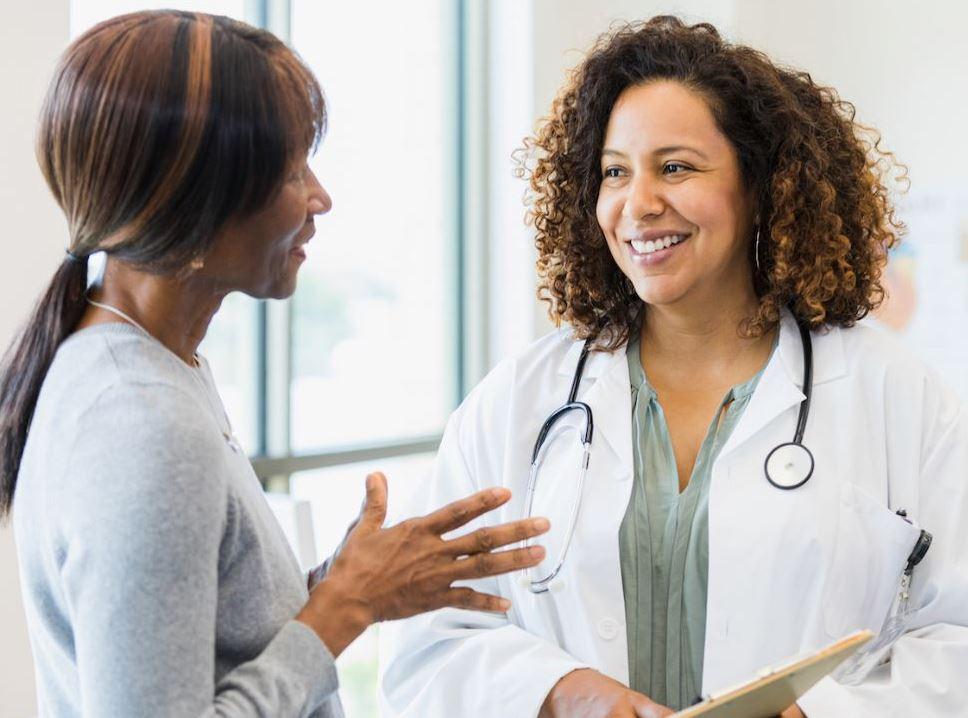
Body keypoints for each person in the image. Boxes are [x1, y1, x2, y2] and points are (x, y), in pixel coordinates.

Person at [379, 16, 968, 717]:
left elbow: (954, 636)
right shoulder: (521, 400)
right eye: (615, 172)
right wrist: (558, 693)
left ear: (761, 186)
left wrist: (828, 713)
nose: (639, 203)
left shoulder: (895, 394)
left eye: (676, 166)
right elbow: (428, 635)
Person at [0, 11, 550, 717]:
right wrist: (343, 608)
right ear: (199, 199)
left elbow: (205, 635)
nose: (320, 198)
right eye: (292, 170)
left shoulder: (143, 360)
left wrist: (346, 581)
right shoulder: (144, 423)